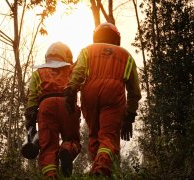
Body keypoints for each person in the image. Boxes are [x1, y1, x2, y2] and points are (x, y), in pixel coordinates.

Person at [64, 22, 141, 177]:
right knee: (108, 136)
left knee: (94, 134)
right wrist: (130, 115)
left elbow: (78, 71)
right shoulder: (126, 55)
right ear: (116, 38)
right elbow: (134, 90)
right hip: (113, 95)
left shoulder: (87, 51)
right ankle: (101, 168)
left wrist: (72, 89)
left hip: (89, 94)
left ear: (96, 36)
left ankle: (98, 167)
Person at [25, 42, 81, 179]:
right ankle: (67, 150)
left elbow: (32, 99)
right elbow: (80, 82)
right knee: (72, 139)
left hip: (46, 106)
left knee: (48, 147)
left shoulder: (38, 72)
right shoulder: (72, 69)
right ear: (66, 55)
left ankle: (50, 175)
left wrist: (30, 122)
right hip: (68, 104)